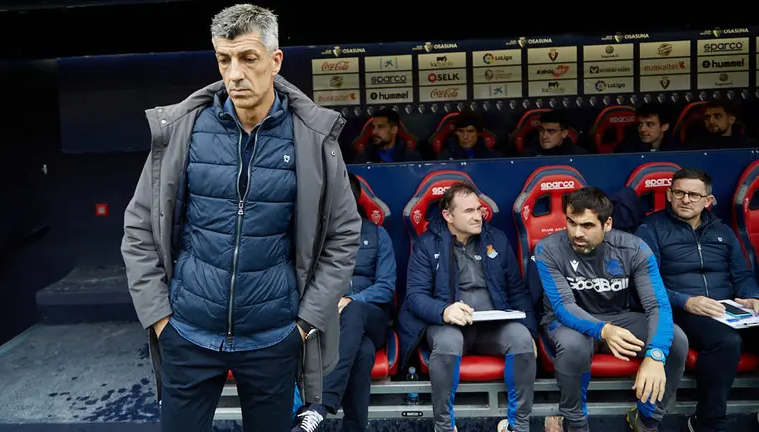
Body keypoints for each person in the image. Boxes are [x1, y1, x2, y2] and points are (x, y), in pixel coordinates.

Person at [120, 4, 360, 432]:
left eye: (248, 59)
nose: (234, 74)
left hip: (274, 337)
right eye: (223, 59)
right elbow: (139, 226)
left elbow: (343, 236)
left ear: (275, 60)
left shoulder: (313, 138)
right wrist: (160, 317)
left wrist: (304, 325)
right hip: (187, 332)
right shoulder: (183, 130)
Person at [533, 187, 688, 432]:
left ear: (607, 224)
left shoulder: (635, 248)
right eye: (571, 223)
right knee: (574, 346)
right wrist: (604, 331)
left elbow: (657, 305)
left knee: (676, 340)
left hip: (618, 317)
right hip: (567, 322)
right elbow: (563, 306)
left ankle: (647, 420)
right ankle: (576, 423)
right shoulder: (547, 249)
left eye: (587, 225)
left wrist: (656, 354)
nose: (576, 232)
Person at [397, 182, 539, 432]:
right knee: (449, 341)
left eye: (479, 209)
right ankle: (444, 426)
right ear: (448, 216)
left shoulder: (496, 238)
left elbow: (517, 290)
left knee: (521, 338)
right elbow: (415, 297)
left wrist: (531, 331)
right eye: (469, 211)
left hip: (492, 327)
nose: (478, 216)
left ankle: (518, 425)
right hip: (449, 326)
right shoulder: (427, 244)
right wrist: (444, 311)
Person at [635, 168, 759, 432]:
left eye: (693, 194)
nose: (685, 199)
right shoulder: (651, 229)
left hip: (729, 309)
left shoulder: (723, 231)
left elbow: (743, 275)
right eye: (678, 192)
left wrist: (752, 297)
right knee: (726, 341)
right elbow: (645, 284)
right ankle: (708, 421)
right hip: (680, 310)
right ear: (669, 194)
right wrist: (686, 301)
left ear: (708, 200)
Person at [292, 173, 397, 432]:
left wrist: (350, 300)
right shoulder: (314, 238)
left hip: (370, 316)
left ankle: (319, 407)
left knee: (354, 311)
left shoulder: (377, 235)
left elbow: (386, 287)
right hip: (328, 322)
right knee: (363, 352)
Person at [352, 108, 422, 163]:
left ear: (394, 130)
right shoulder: (362, 158)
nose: (374, 132)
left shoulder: (411, 158)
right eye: (373, 127)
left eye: (380, 127)